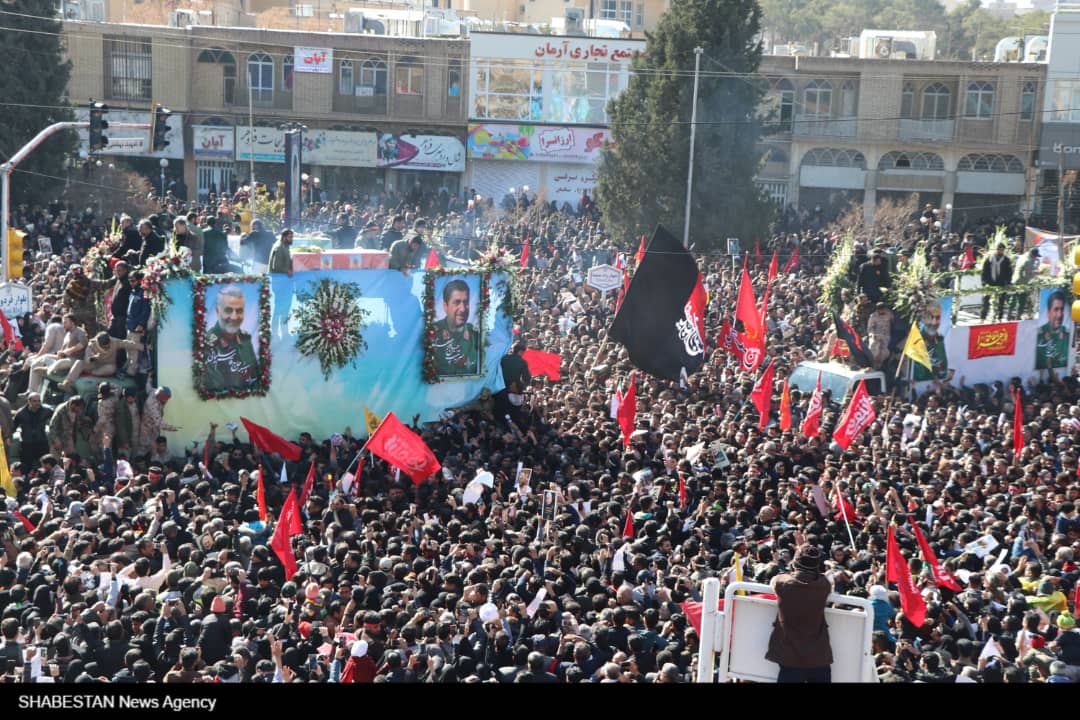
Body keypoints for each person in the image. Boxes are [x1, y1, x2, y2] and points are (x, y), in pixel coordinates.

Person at [766, 543, 833, 683]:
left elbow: (774, 580)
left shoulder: (782, 583)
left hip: (790, 659)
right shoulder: (824, 585)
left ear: (795, 563)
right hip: (819, 658)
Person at [201, 285, 261, 393]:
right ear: (217, 311)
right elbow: (213, 390)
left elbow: (255, 380)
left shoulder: (245, 339)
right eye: (228, 310)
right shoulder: (208, 345)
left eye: (239, 311)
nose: (234, 317)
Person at [432, 279, 480, 377]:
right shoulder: (433, 333)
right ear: (445, 306)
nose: (462, 309)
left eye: (466, 302)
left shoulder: (475, 335)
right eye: (457, 302)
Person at [913, 304, 949, 383]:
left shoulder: (940, 339)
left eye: (938, 317)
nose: (934, 322)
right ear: (924, 319)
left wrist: (940, 371)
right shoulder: (917, 339)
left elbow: (943, 371)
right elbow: (919, 375)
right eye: (930, 317)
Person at [1035, 290, 1069, 371]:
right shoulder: (1039, 335)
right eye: (1056, 309)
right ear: (1048, 313)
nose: (1060, 315)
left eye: (1062, 309)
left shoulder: (1067, 335)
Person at [981, 242, 1012, 321]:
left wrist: (1008, 283)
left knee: (1001, 302)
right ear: (996, 249)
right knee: (986, 301)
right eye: (999, 250)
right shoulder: (989, 259)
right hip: (990, 282)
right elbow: (984, 271)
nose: (1000, 251)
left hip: (1001, 283)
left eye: (1002, 250)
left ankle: (1000, 318)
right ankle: (982, 318)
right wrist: (984, 283)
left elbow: (1009, 273)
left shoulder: (1006, 260)